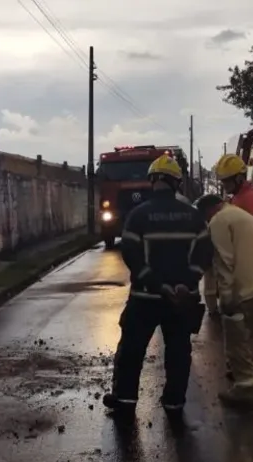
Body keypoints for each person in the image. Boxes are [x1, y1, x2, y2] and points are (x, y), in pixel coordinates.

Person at [103, 154, 213, 415]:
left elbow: (132, 256)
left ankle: (126, 400)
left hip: (145, 298)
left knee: (132, 349)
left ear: (153, 181)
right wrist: (186, 283)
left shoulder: (138, 216)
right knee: (178, 351)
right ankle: (174, 402)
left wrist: (157, 284)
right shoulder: (194, 217)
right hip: (183, 299)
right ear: (176, 182)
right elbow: (204, 255)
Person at [194, 194, 253, 408]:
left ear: (208, 211)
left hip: (244, 289)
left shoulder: (219, 222)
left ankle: (246, 387)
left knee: (236, 339)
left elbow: (225, 260)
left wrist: (227, 296)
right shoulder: (243, 216)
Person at [205, 155, 253, 316]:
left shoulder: (248, 199)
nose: (224, 186)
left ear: (239, 178)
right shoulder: (240, 197)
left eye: (227, 181)